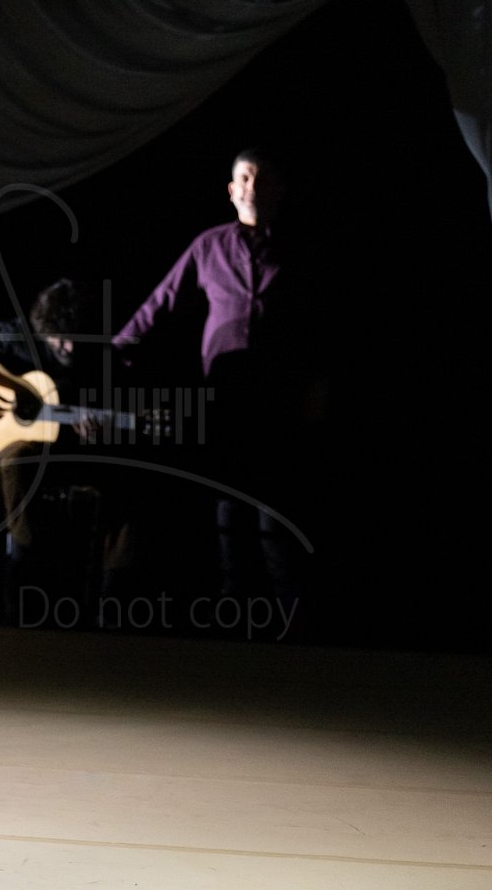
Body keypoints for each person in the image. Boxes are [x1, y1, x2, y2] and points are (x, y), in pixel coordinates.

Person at [111, 147, 327, 627]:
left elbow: (321, 325)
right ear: (231, 190)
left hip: (278, 399)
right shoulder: (209, 246)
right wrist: (112, 353)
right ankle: (234, 619)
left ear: (277, 189)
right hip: (226, 395)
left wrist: (318, 386)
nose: (252, 187)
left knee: (275, 513)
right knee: (228, 506)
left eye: (261, 178)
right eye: (244, 178)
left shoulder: (298, 250)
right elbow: (161, 302)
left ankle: (291, 627)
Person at [0, 278, 117, 624]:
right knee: (17, 459)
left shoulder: (95, 355)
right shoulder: (18, 335)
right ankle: (24, 566)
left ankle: (113, 601)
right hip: (23, 445)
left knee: (122, 480)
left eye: (75, 337)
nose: (68, 347)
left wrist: (91, 429)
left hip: (70, 451)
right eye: (60, 338)